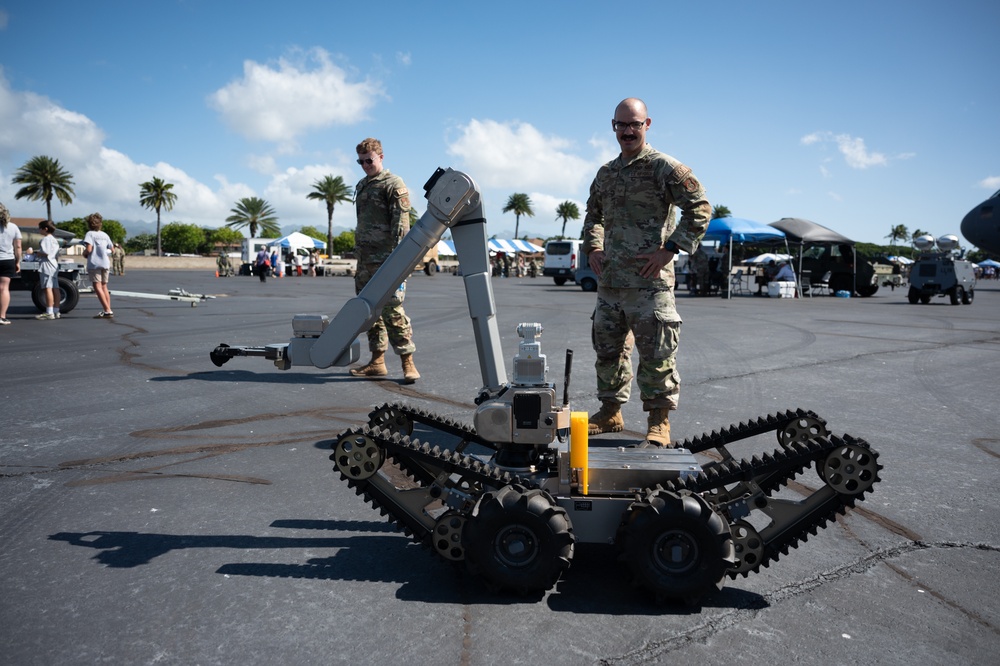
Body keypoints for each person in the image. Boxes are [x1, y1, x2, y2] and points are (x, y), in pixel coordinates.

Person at [582, 97, 711, 447]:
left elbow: (700, 209)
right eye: (620, 125)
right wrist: (594, 247)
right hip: (611, 283)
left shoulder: (663, 168)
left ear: (647, 125)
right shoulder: (606, 173)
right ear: (613, 127)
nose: (627, 131)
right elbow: (593, 215)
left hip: (649, 284)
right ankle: (610, 413)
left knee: (656, 354)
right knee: (608, 351)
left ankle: (659, 423)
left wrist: (669, 249)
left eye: (634, 124)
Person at [348, 137, 420, 384]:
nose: (365, 165)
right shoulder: (362, 185)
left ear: (381, 157)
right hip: (365, 262)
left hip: (387, 262)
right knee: (369, 314)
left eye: (369, 160)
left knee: (393, 312)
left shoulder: (393, 184)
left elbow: (402, 225)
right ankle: (377, 362)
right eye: (361, 162)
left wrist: (400, 263)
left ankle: (408, 363)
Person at [83, 212, 115, 318]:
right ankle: (107, 309)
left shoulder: (90, 234)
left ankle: (107, 310)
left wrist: (84, 253)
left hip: (94, 263)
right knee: (104, 286)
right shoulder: (105, 235)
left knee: (97, 287)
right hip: (105, 263)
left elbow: (89, 249)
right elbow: (112, 249)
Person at [0, 202, 22, 325]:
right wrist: (17, 261)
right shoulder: (13, 227)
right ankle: (2, 317)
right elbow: (18, 247)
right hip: (7, 260)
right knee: (4, 288)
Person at [35, 220, 61, 319]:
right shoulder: (54, 239)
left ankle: (49, 312)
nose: (39, 230)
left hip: (47, 265)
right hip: (53, 264)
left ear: (45, 229)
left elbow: (45, 252)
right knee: (55, 288)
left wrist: (35, 252)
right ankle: (56, 311)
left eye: (40, 228)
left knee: (48, 288)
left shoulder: (46, 239)